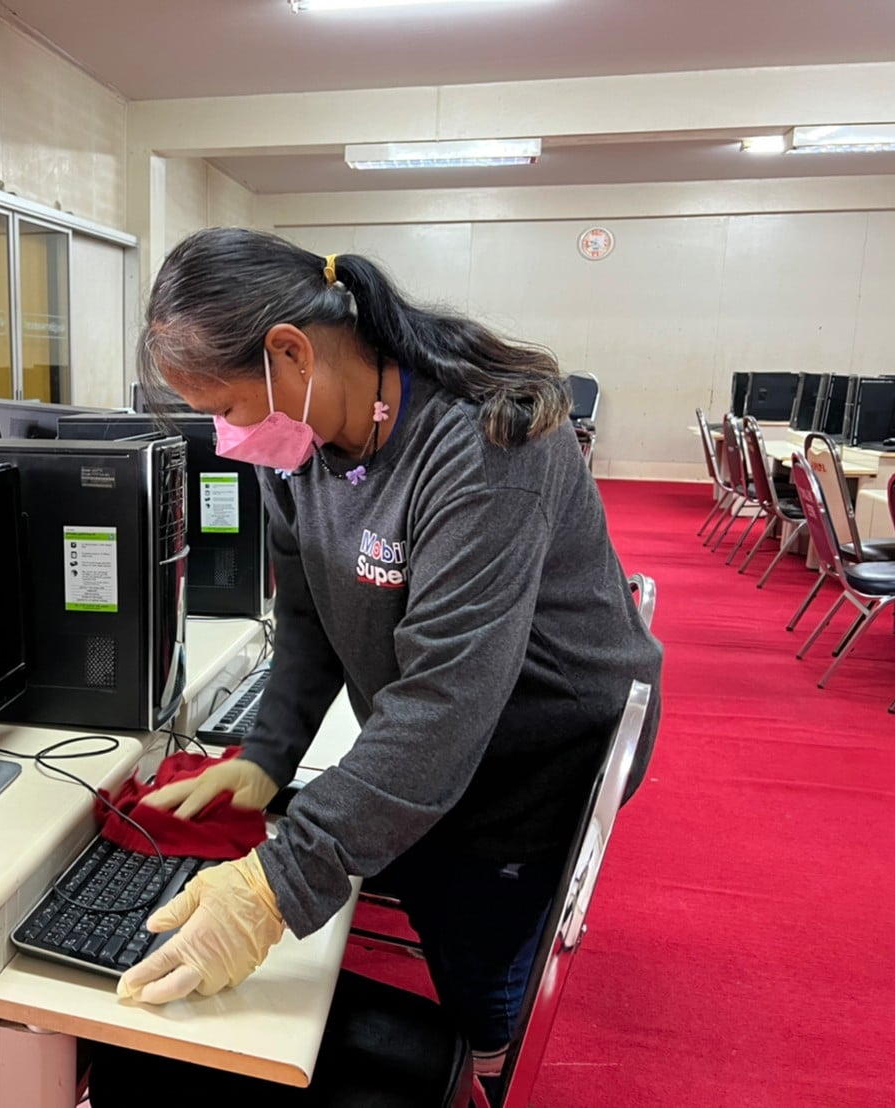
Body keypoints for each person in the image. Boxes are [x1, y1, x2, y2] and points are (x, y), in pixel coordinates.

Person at [110, 227, 664, 1083]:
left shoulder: (485, 445)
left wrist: (272, 892)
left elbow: (446, 702)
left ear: (290, 354)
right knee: (399, 837)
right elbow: (307, 607)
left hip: (540, 743)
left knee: (472, 946)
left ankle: (483, 1057)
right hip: (452, 719)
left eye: (227, 408)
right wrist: (268, 755)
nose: (226, 435)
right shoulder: (295, 438)